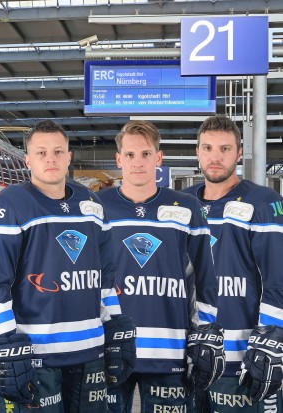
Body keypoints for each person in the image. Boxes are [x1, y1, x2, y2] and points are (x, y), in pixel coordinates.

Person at [0, 120, 136, 413]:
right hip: (35, 358)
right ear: (28, 160)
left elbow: (106, 280)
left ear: (69, 157)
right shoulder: (9, 205)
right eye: (42, 152)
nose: (51, 158)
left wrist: (114, 324)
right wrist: (2, 344)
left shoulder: (92, 205)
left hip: (90, 356)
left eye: (58, 151)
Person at [97, 120, 223, 412]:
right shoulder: (95, 206)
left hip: (171, 351)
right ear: (118, 159)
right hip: (109, 350)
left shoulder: (187, 208)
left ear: (159, 158)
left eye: (145, 154)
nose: (137, 162)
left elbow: (206, 278)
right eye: (129, 155)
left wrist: (205, 335)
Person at [183, 114, 283, 412]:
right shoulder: (181, 202)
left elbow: (277, 280)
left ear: (239, 153)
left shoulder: (263, 202)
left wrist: (271, 340)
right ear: (198, 152)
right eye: (208, 148)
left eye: (225, 149)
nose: (216, 157)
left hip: (243, 360)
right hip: (191, 356)